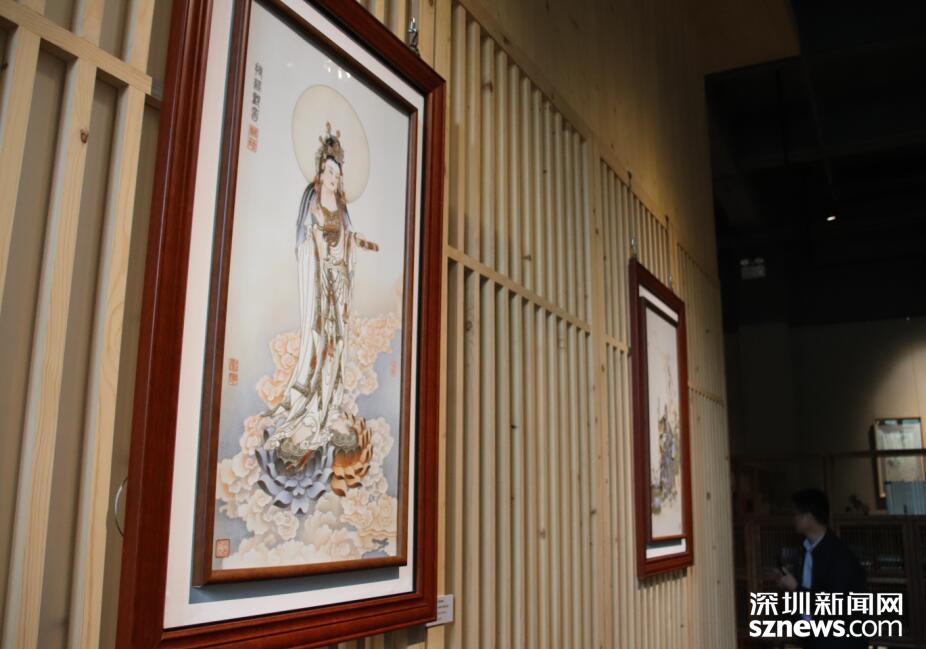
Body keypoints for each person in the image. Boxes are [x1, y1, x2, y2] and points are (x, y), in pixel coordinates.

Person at [777, 489, 867, 648]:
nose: (793, 518)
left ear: (809, 517)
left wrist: (795, 588)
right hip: (812, 638)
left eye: (796, 514)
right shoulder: (805, 549)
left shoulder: (840, 556)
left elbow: (834, 605)